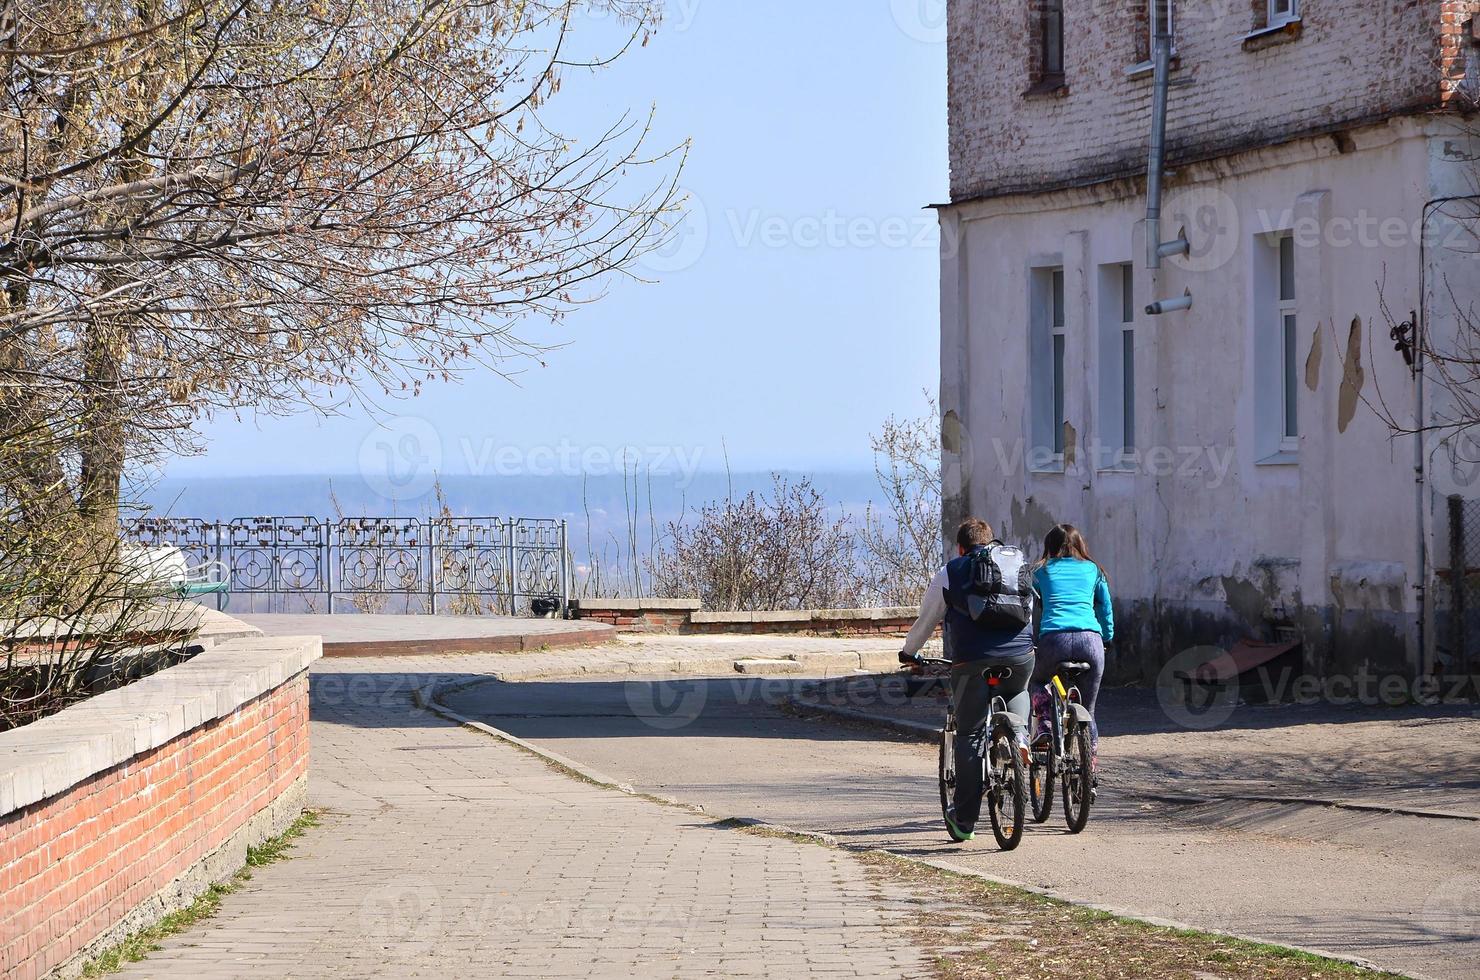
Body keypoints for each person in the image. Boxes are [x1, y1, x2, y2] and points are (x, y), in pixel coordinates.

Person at [899, 518, 1035, 842]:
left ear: (961, 546)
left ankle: (965, 822)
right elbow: (1032, 606)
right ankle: (1020, 737)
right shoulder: (1016, 565)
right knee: (1018, 689)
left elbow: (928, 617)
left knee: (970, 733)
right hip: (1021, 655)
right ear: (992, 541)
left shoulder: (953, 570)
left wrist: (909, 653)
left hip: (971, 661)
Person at [1030, 524, 1112, 765]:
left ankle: (1045, 724)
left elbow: (1029, 604)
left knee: (1038, 681)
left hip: (1054, 640)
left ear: (1049, 546)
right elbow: (1105, 609)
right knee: (1089, 709)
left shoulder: (1040, 571)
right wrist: (1107, 638)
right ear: (1080, 546)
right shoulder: (1094, 570)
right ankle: (1091, 768)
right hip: (1091, 641)